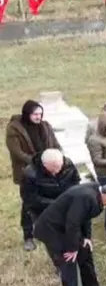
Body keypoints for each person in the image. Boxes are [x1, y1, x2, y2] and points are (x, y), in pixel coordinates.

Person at [33, 182, 106, 286]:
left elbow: (85, 217)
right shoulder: (86, 197)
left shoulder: (94, 194)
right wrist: (72, 248)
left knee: (85, 250)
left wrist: (86, 238)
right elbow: (72, 223)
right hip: (52, 229)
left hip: (66, 227)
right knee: (68, 259)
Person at [8, 100, 61, 243]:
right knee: (28, 203)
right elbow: (17, 152)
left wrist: (58, 157)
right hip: (28, 172)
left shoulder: (46, 126)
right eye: (35, 114)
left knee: (46, 200)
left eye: (40, 114)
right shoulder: (14, 129)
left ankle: (46, 230)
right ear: (27, 114)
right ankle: (28, 236)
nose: (39, 117)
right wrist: (37, 162)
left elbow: (55, 144)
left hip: (47, 169)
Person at [20, 149, 78, 252]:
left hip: (62, 197)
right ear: (44, 164)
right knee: (27, 209)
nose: (57, 171)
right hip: (41, 202)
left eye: (59, 167)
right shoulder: (30, 173)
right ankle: (28, 236)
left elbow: (76, 182)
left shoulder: (68, 165)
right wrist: (55, 203)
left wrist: (69, 196)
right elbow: (30, 198)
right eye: (53, 168)